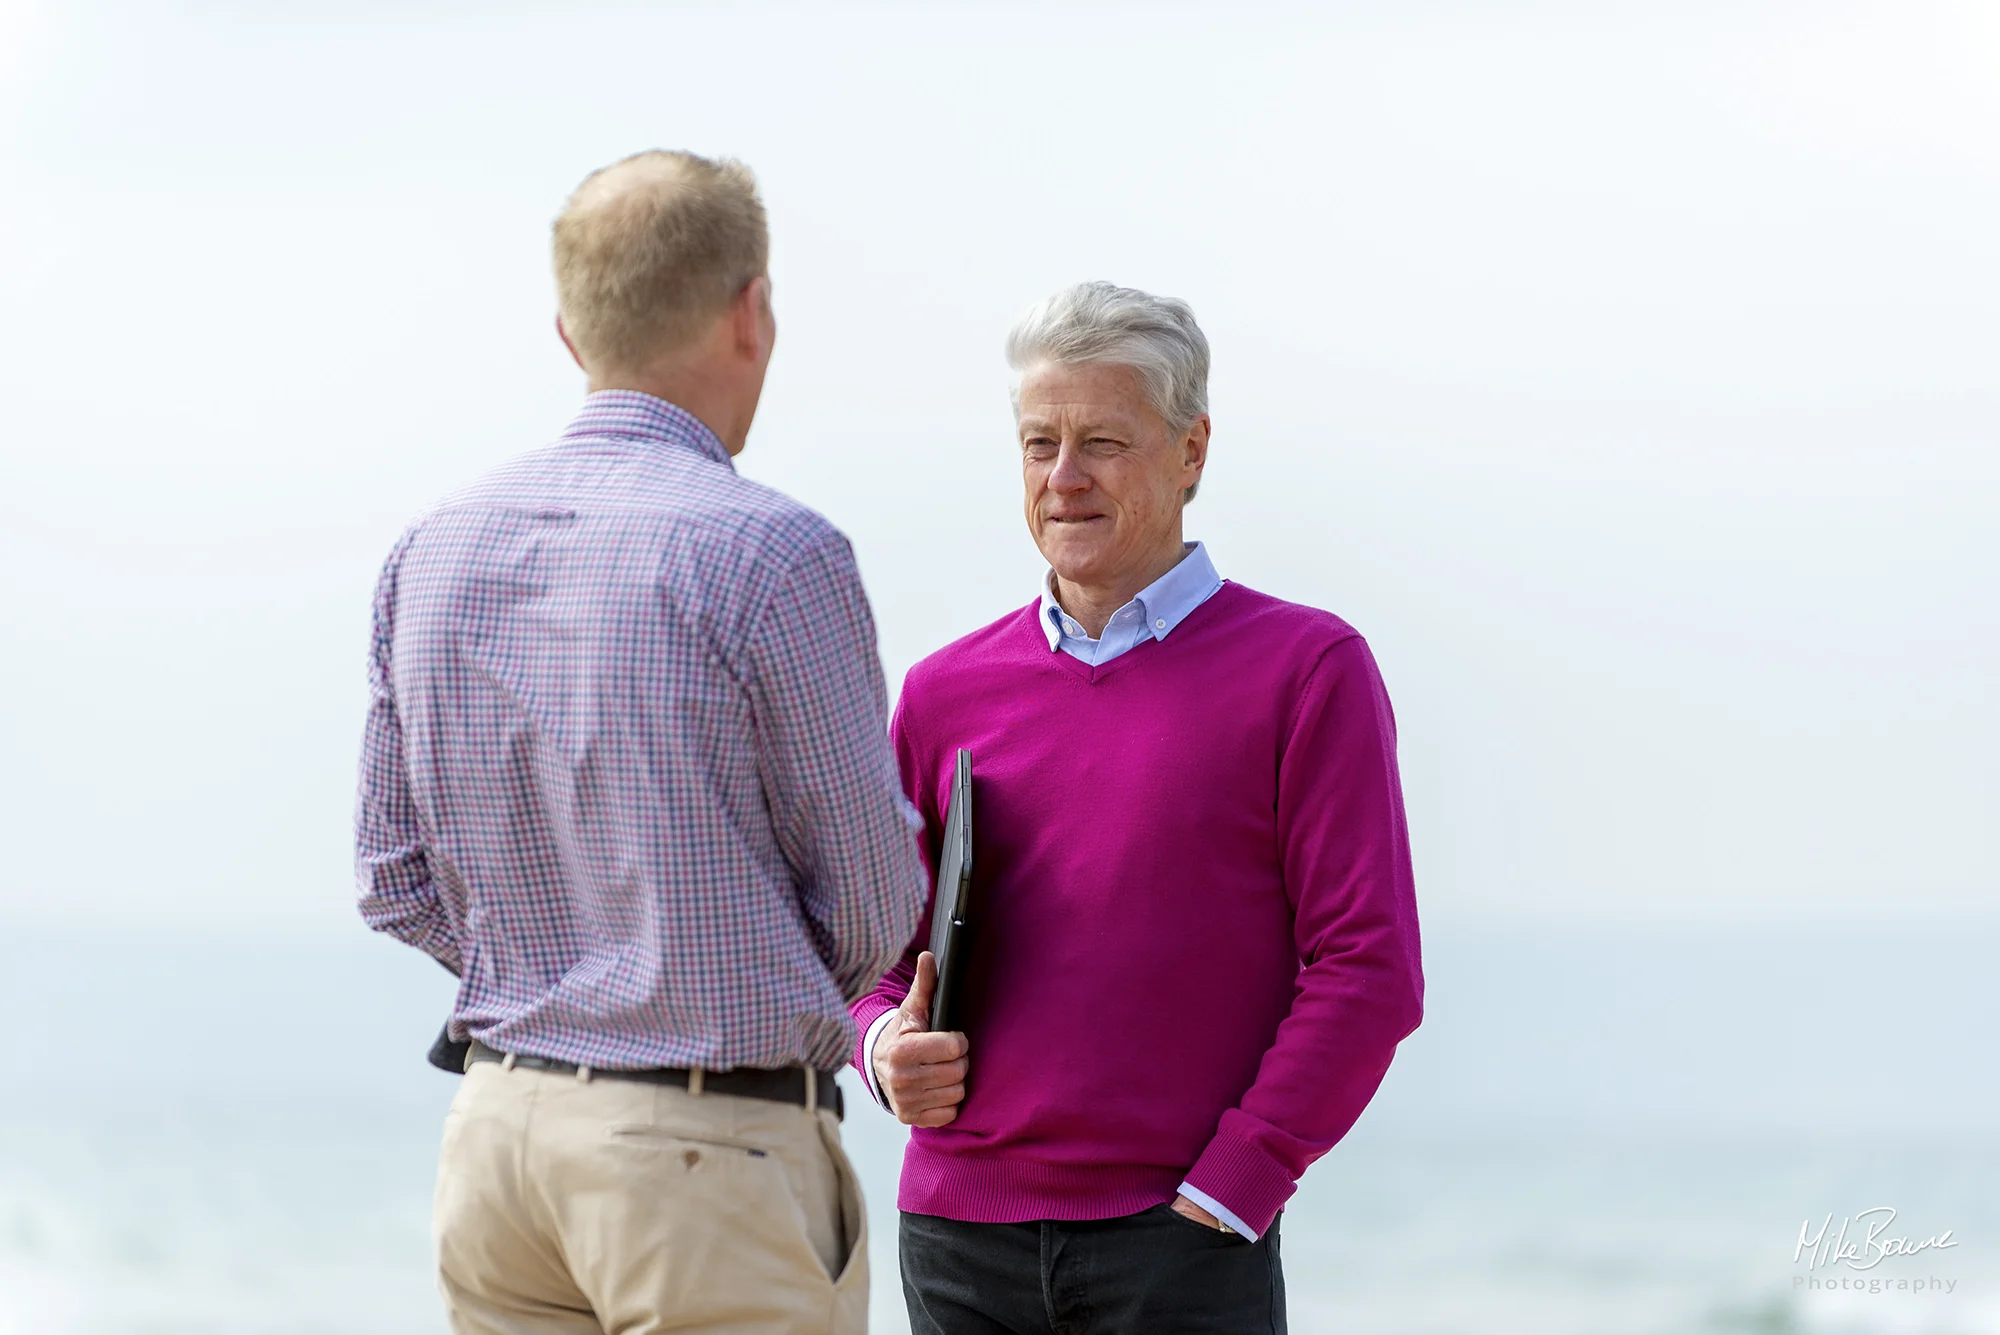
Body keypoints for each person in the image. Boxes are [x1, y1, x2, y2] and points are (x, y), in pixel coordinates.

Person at [354, 149, 928, 1335]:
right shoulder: (776, 555)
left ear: (569, 332)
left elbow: (391, 879)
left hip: (498, 1141)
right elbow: (876, 900)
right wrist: (702, 982)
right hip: (704, 1147)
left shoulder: (432, 550)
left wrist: (561, 973)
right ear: (751, 312)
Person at [854, 282, 1425, 1334]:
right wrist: (883, 1049)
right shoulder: (942, 692)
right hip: (954, 1238)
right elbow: (874, 959)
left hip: (1181, 1240)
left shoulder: (1306, 671)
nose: (1062, 480)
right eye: (1037, 445)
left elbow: (1367, 969)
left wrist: (1236, 1185)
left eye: (1101, 443)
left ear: (1191, 451)